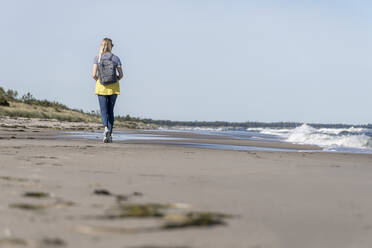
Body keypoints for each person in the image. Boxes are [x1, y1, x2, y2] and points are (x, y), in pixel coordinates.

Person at [92, 38, 123, 143]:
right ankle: (110, 134)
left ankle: (106, 130)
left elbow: (93, 75)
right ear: (111, 46)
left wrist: (100, 81)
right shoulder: (116, 58)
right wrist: (115, 79)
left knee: (103, 111)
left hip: (101, 87)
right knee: (110, 111)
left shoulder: (97, 58)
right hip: (114, 87)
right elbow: (121, 75)